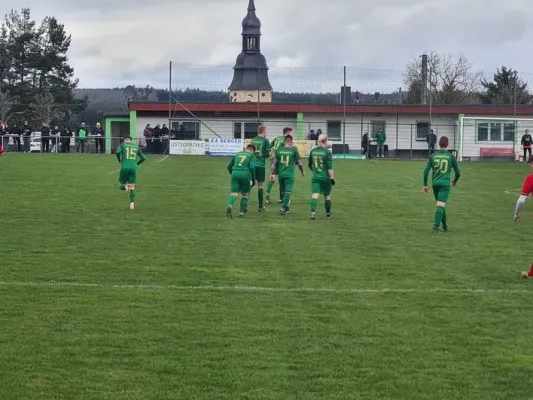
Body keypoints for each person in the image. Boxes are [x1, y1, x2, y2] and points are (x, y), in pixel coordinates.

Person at [422, 136, 460, 233]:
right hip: (445, 184)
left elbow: (426, 171)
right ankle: (435, 227)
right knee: (440, 205)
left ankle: (445, 226)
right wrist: (454, 181)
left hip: (435, 184)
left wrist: (425, 185)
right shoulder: (451, 156)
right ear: (447, 145)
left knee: (440, 205)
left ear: (439, 144)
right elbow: (458, 172)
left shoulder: (433, 156)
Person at [270, 135, 304, 216]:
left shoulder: (278, 150)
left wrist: (273, 174)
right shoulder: (294, 151)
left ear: (284, 142)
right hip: (289, 175)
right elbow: (299, 163)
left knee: (283, 192)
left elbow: (273, 164)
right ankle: (283, 207)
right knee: (288, 192)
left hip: (281, 174)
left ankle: (286, 209)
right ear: (291, 142)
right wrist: (302, 171)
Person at [115, 136, 146, 211]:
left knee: (121, 185)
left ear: (125, 140)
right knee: (132, 186)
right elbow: (143, 158)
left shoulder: (122, 145)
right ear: (131, 141)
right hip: (133, 168)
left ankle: (126, 186)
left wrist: (119, 160)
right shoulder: (136, 147)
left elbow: (117, 152)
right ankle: (132, 202)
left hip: (124, 168)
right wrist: (137, 164)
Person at [226, 144, 256, 218]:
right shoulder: (251, 156)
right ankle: (241, 213)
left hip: (235, 173)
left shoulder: (237, 154)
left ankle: (230, 205)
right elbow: (252, 168)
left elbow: (229, 166)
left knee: (234, 193)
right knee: (245, 194)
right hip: (245, 175)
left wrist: (233, 173)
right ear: (252, 150)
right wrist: (253, 179)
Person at [309, 133, 335, 219]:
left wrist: (315, 171)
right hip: (325, 178)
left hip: (315, 177)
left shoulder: (313, 151)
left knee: (315, 195)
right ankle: (328, 213)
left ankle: (313, 212)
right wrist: (332, 178)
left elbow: (309, 164)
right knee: (327, 195)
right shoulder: (327, 152)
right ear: (326, 141)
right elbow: (329, 168)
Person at [265, 127, 292, 204]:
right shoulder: (286, 140)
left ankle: (267, 192)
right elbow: (286, 148)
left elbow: (269, 147)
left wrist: (272, 154)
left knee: (273, 176)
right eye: (290, 132)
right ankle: (281, 198)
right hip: (280, 159)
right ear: (287, 132)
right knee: (282, 178)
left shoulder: (276, 138)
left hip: (274, 159)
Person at [250, 125, 270, 211]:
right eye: (267, 131)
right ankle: (261, 206)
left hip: (252, 165)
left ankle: (244, 205)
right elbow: (266, 154)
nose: (267, 133)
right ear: (264, 131)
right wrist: (272, 154)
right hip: (261, 165)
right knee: (260, 185)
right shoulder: (265, 140)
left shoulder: (253, 140)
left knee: (250, 184)